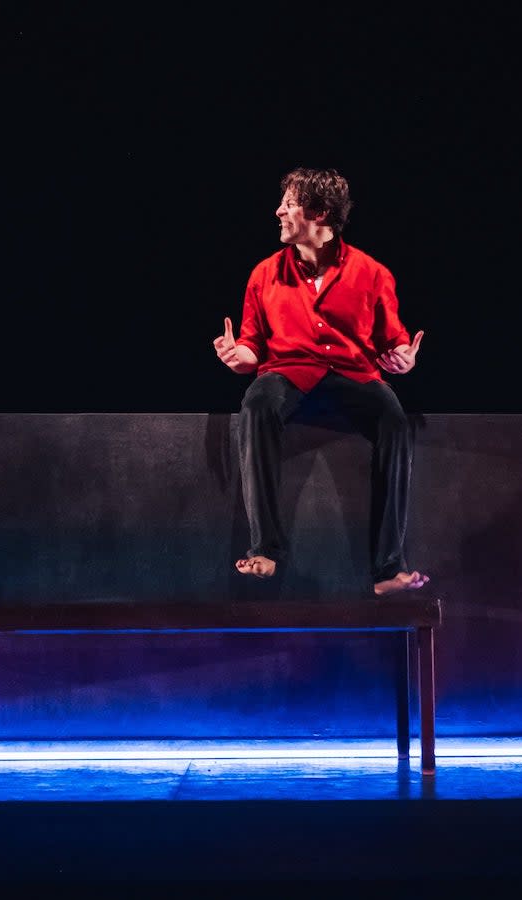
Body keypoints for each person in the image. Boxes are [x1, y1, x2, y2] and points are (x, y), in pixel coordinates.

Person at [213, 167, 429, 597]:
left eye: (289, 205)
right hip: (290, 372)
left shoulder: (372, 273)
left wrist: (404, 358)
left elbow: (394, 340)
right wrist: (239, 356)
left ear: (321, 214)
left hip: (352, 374)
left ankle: (388, 569)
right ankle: (265, 550)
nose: (279, 211)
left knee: (394, 420)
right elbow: (253, 343)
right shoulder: (264, 274)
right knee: (257, 403)